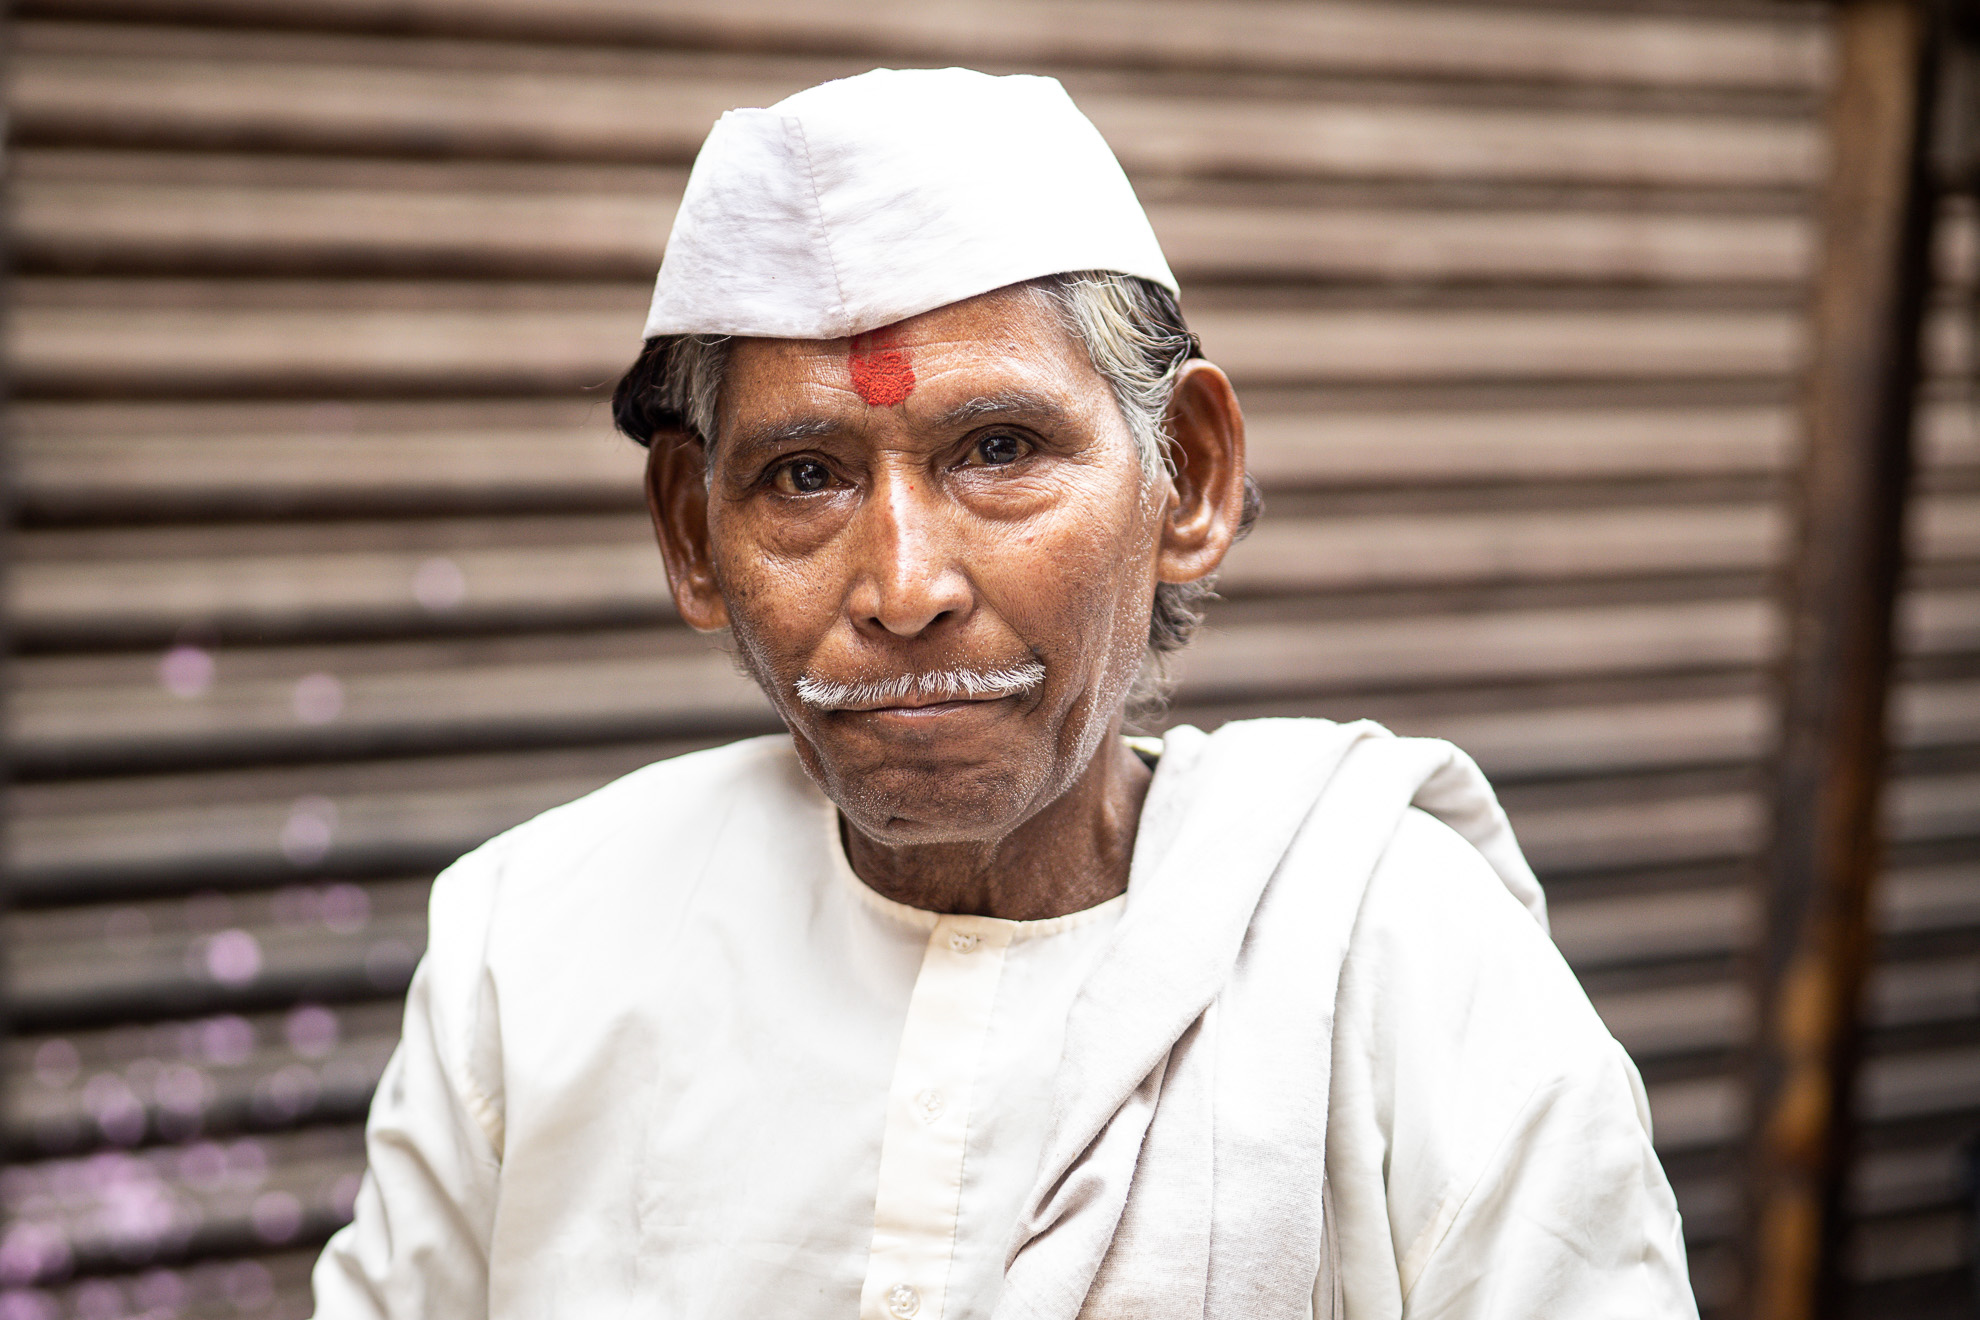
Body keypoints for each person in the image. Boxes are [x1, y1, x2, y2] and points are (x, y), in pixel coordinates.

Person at [309, 68, 1697, 1320]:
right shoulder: (535, 944)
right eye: (806, 475)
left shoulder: (1403, 965)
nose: (905, 586)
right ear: (692, 537)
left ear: (1189, 479)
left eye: (999, 447)